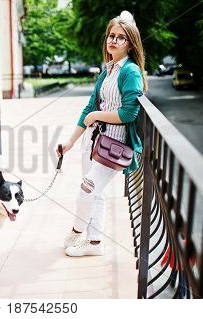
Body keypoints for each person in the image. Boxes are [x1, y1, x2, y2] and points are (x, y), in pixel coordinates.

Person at [57, 11, 148, 257]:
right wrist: (70, 142)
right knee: (95, 193)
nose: (113, 41)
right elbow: (89, 107)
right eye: (111, 36)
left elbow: (129, 113)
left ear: (130, 43)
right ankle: (94, 242)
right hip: (94, 141)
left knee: (87, 190)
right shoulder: (108, 70)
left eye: (120, 37)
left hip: (114, 146)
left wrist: (97, 116)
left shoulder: (130, 72)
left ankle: (77, 232)